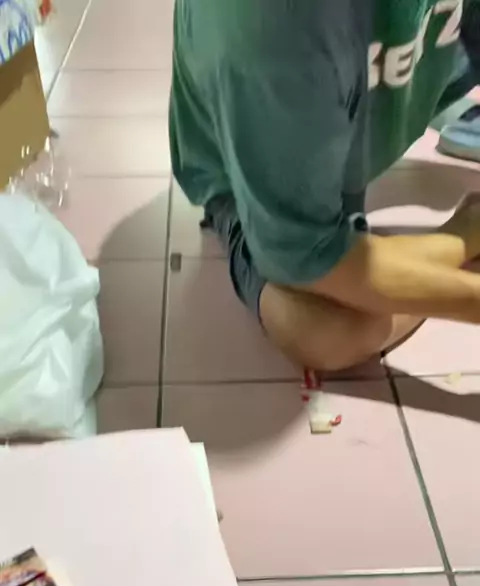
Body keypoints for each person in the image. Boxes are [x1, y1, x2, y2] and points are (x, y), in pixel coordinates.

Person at [169, 0, 480, 372]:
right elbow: (309, 255)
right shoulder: (268, 26)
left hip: (362, 81)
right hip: (251, 146)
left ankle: (463, 230)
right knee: (322, 332)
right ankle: (466, 233)